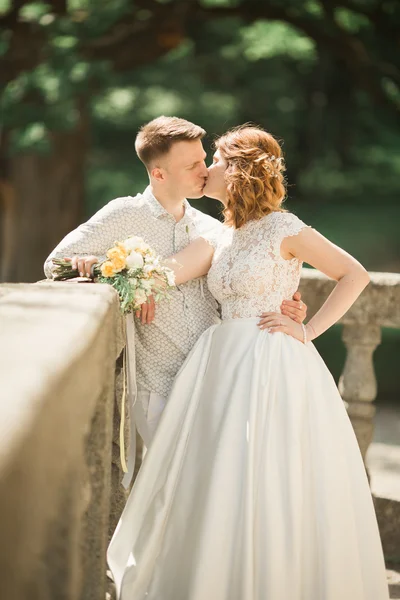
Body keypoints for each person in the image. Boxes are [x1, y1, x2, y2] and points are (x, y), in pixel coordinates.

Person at [107, 125, 389, 600]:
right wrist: (137, 286)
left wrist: (306, 328)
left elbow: (353, 275)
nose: (206, 169)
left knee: (270, 475)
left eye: (213, 160)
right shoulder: (224, 233)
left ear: (238, 171)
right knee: (216, 479)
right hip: (217, 366)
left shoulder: (284, 226)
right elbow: (172, 274)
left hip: (269, 364)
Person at [44, 116, 306, 486]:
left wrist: (288, 305)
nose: (206, 170)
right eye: (192, 165)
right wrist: (106, 272)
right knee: (175, 488)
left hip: (214, 379)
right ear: (159, 173)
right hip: (157, 383)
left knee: (210, 492)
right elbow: (55, 263)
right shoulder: (124, 214)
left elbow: (244, 287)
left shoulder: (212, 228)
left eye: (204, 159)